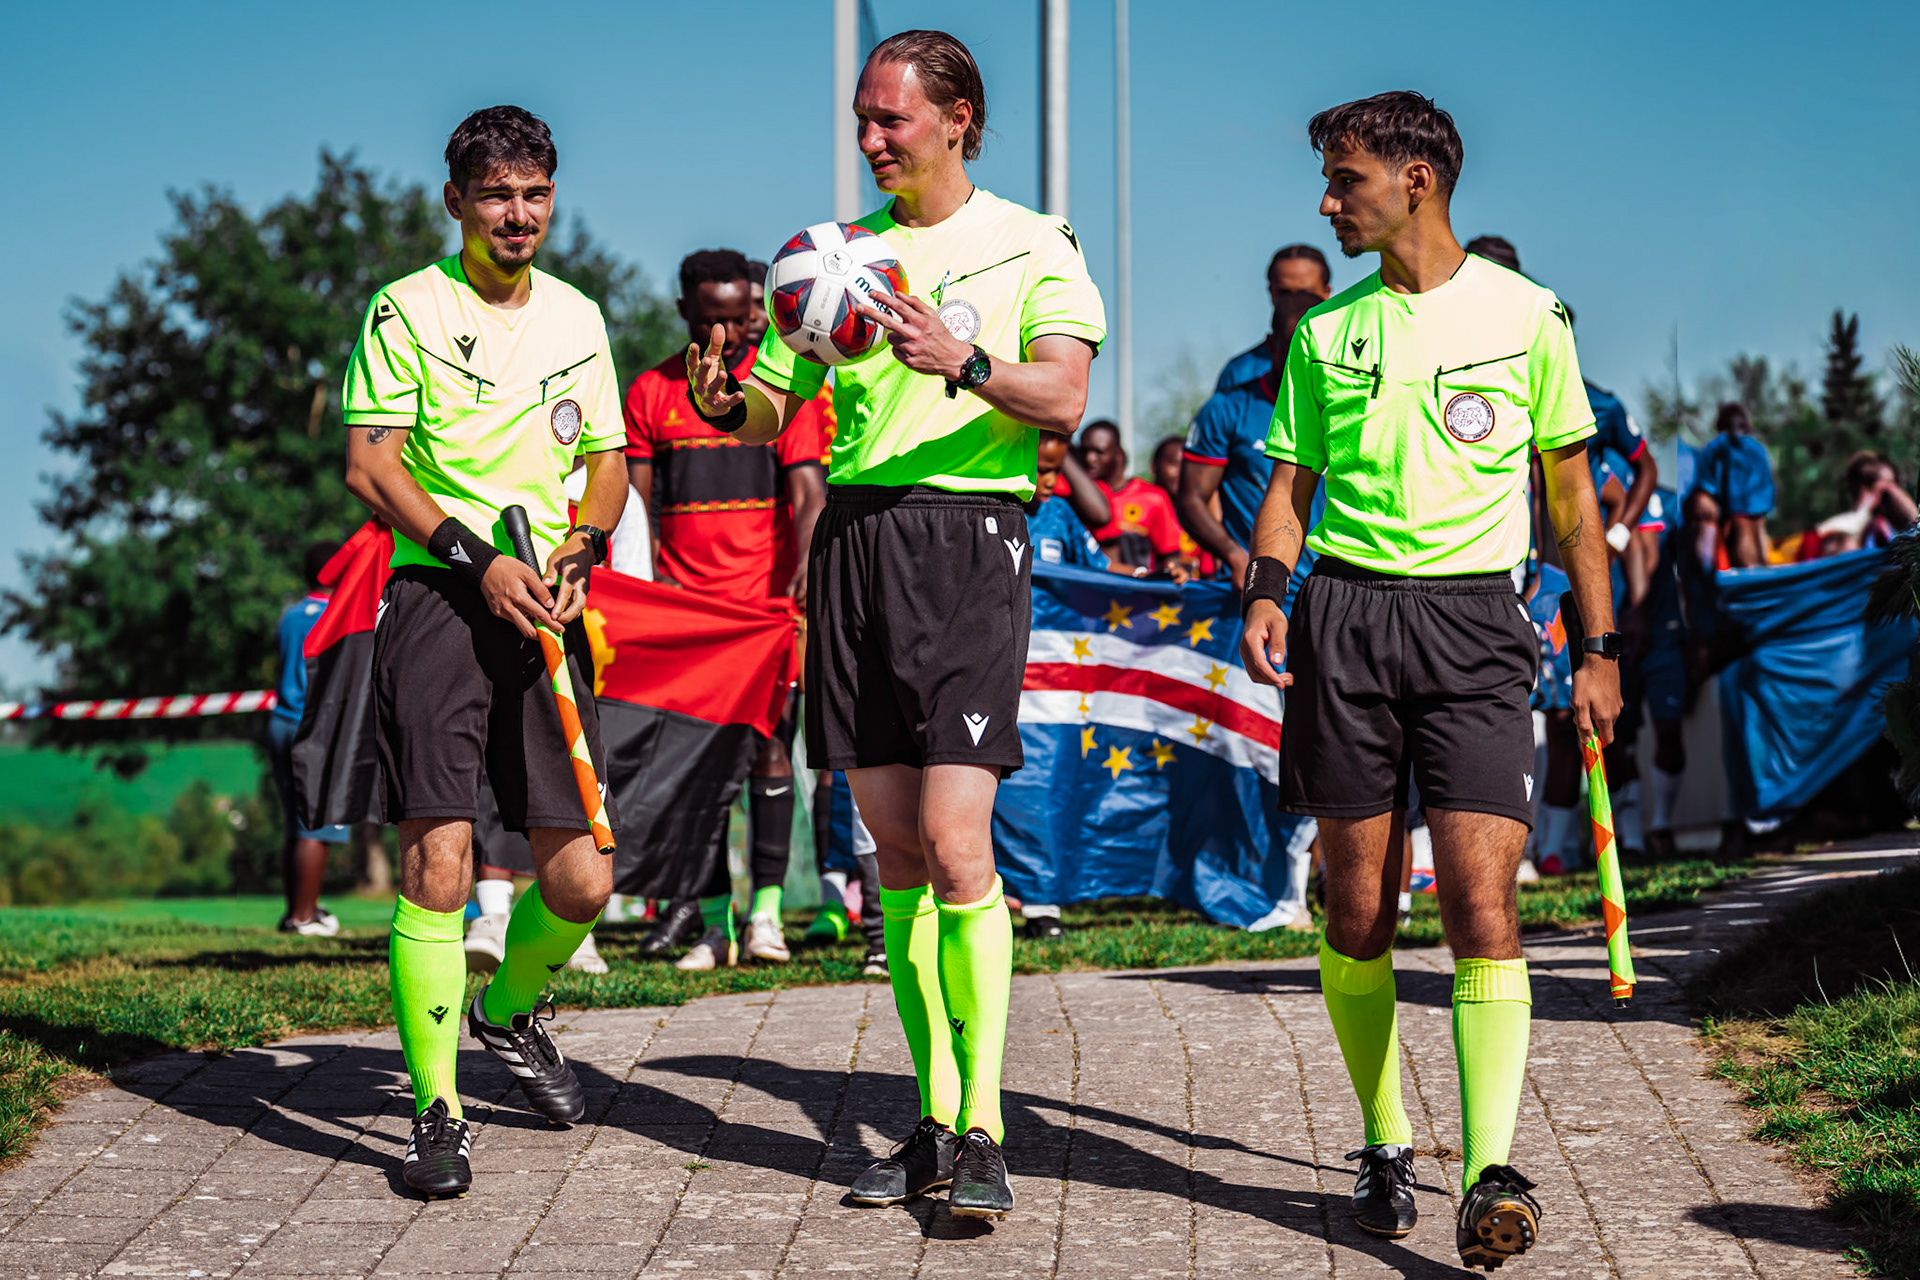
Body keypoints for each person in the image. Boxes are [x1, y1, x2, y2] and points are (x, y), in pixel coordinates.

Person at [686, 28, 1104, 1219]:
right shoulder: (831, 257)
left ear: (958, 117)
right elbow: (777, 400)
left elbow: (1065, 396)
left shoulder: (1032, 241)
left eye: (892, 121)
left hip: (969, 538)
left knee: (957, 834)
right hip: (857, 544)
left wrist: (962, 360)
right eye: (864, 122)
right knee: (895, 853)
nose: (870, 141)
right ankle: (930, 1120)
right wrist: (733, 394)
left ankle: (985, 1127)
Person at [1238, 91, 1620, 1271]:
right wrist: (1264, 586)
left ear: (1416, 178)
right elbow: (1290, 486)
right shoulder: (1323, 335)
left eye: (1343, 176)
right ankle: (1385, 1134)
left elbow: (1571, 503)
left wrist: (1601, 649)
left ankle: (1494, 1169)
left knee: (1479, 904)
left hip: (1476, 626)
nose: (1326, 198)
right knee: (1355, 911)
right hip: (1345, 619)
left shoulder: (1529, 315)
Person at [341, 105, 627, 1198]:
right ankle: (437, 1111)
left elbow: (606, 462)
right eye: (498, 193)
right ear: (455, 200)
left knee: (586, 877)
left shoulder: (578, 317)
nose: (519, 213)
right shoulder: (407, 306)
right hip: (440, 598)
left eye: (536, 193)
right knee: (440, 859)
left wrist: (581, 542)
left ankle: (507, 1011)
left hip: (545, 604)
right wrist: (472, 555)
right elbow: (373, 466)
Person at [625, 248, 830, 971]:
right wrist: (644, 586)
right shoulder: (649, 391)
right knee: (695, 768)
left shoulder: (781, 391)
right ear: (687, 313)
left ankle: (767, 919)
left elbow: (808, 493)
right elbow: (636, 503)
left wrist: (808, 560)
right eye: (715, 320)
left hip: (767, 608)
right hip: (687, 612)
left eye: (743, 319)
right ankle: (715, 925)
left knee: (772, 751)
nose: (731, 335)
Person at [1179, 290, 1323, 588]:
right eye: (1294, 346)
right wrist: (1233, 555)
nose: (1305, 357)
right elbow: (1191, 499)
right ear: (1271, 345)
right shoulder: (1225, 409)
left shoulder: (1350, 410)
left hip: (1331, 589)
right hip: (1257, 589)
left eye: (1316, 349)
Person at [268, 540, 350, 937]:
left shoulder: (289, 616)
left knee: (295, 824)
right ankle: (304, 917)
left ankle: (297, 911)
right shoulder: (339, 614)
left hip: (282, 722)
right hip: (316, 726)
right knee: (316, 825)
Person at [1216, 245, 1335, 391]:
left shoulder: (1356, 362)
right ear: (1271, 292)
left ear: (1326, 293)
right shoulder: (1239, 373)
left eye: (1305, 292)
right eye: (1284, 292)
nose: (1294, 301)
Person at [1076, 420, 1185, 574]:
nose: (1090, 459)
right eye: (1084, 451)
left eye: (1098, 452)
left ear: (1118, 454)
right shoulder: (1074, 498)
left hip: (1136, 593)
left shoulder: (1153, 498)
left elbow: (1171, 558)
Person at [1687, 401, 1775, 569]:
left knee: (1742, 531)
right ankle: (1762, 568)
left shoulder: (1719, 444)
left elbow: (1705, 483)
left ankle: (1749, 570)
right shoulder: (1758, 447)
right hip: (1760, 501)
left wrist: (1706, 494)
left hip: (1738, 502)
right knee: (1758, 532)